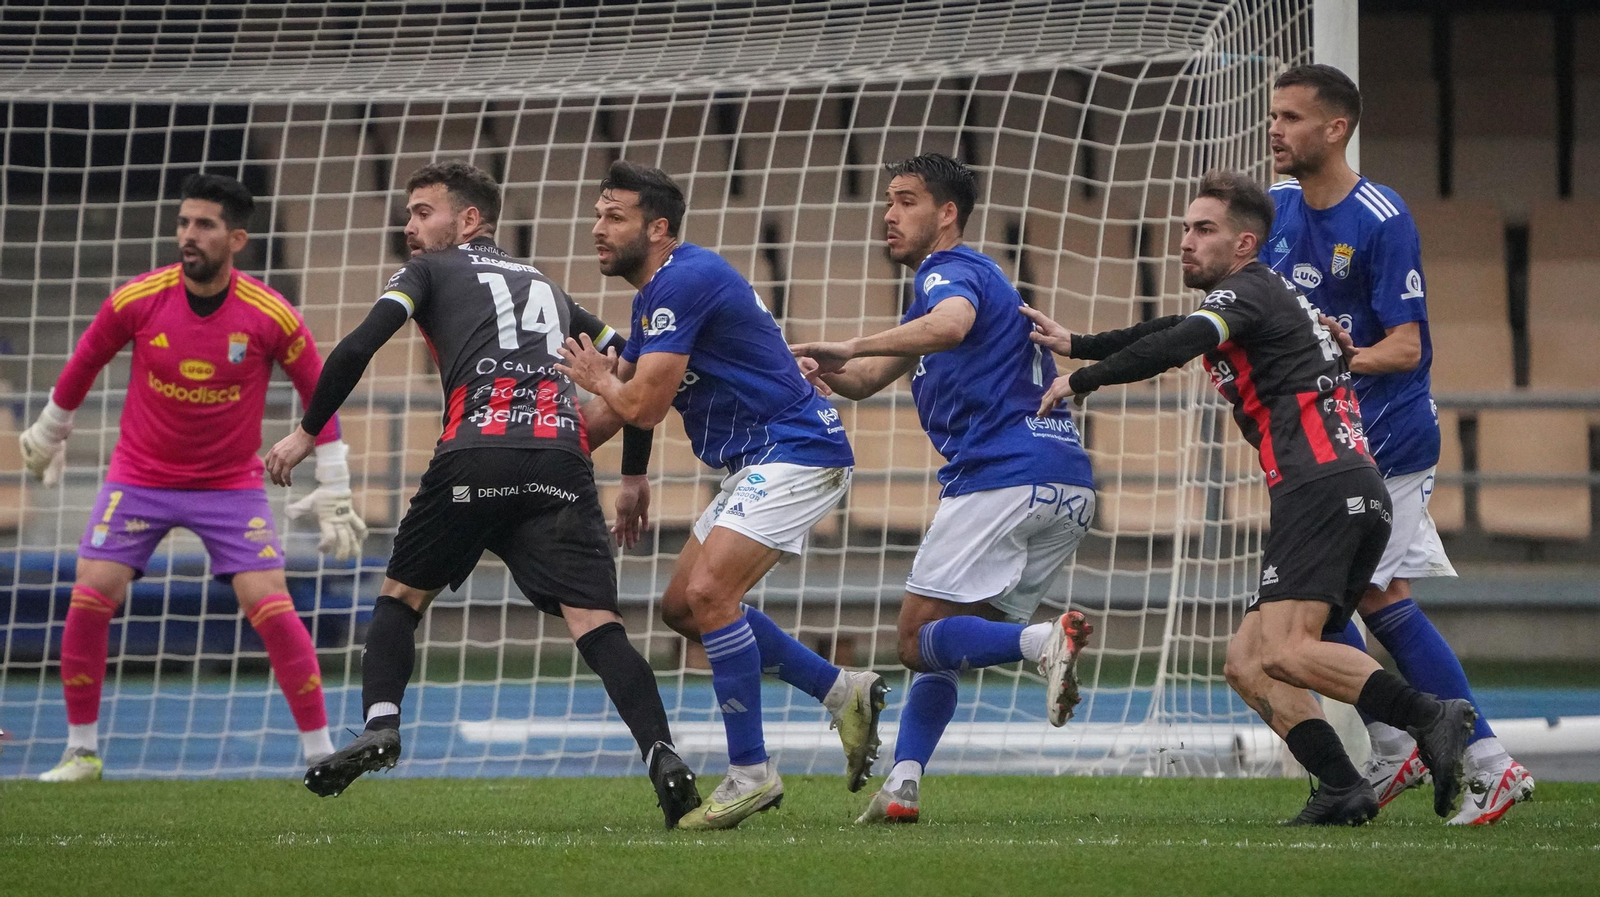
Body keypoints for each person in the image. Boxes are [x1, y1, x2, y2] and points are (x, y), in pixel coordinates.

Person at [1026, 169, 1475, 826]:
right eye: (1184, 228)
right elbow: (1171, 327)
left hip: (1320, 489)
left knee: (1286, 651)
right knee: (1246, 660)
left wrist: (1082, 377)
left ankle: (1430, 718)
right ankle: (1345, 785)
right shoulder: (1262, 298)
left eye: (1203, 229)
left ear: (1244, 244)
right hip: (1347, 488)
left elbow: (1180, 344)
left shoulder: (1249, 293)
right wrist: (1080, 341)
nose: (1186, 241)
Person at [263, 162, 701, 828]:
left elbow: (357, 345)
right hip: (560, 459)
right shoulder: (550, 289)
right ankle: (664, 753)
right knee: (598, 626)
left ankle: (380, 722)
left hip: (476, 452)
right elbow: (635, 366)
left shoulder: (431, 271)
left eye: (421, 212)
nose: (410, 228)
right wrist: (634, 476)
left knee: (400, 599)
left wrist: (305, 431)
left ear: (469, 220)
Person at [556, 160, 882, 831]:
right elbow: (616, 411)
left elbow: (640, 404)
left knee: (712, 596)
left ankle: (751, 771)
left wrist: (593, 374)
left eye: (613, 216)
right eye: (597, 213)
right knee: (683, 607)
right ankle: (839, 689)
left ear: (659, 227)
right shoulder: (656, 296)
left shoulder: (686, 280)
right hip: (761, 458)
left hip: (796, 448)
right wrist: (539, 455)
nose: (597, 228)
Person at [18, 173, 359, 781]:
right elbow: (87, 358)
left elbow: (319, 389)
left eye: (203, 225)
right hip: (140, 477)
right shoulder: (138, 299)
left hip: (229, 486)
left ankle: (319, 753)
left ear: (237, 239)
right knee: (89, 596)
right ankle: (81, 752)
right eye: (183, 223)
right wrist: (48, 430)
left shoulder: (269, 314)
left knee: (273, 608)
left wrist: (334, 484)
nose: (188, 236)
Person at [791, 153, 1095, 824]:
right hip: (1065, 482)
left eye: (905, 200)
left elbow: (950, 324)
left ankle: (1043, 643)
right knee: (945, 641)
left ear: (947, 213)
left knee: (911, 637)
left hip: (1001, 477)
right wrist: (825, 368)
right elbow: (869, 379)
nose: (888, 214)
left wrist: (846, 339)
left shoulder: (950, 273)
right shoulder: (959, 287)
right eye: (887, 200)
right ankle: (903, 783)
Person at [1264, 63, 1531, 825]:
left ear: (1335, 128)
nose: (1275, 130)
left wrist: (1339, 356)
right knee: (1315, 600)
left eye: (1289, 117)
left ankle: (1488, 761)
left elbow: (1408, 347)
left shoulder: (1381, 217)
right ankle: (1398, 747)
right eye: (1273, 116)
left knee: (1368, 598)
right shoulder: (1278, 206)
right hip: (1320, 436)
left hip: (1386, 432)